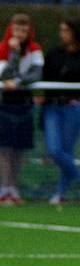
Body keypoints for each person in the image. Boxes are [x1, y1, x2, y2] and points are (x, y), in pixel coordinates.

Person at [0, 14, 43, 206]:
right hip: (4, 103)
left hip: (24, 103)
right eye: (17, 31)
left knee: (19, 148)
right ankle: (3, 187)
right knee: (4, 147)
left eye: (24, 31)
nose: (20, 35)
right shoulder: (0, 49)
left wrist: (18, 82)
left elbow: (36, 74)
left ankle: (14, 187)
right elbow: (2, 75)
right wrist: (13, 53)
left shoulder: (34, 50)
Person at [42, 18, 80, 205]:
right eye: (61, 30)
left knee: (67, 150)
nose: (62, 34)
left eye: (66, 30)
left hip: (73, 107)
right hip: (53, 106)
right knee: (54, 150)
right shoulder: (54, 53)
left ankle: (61, 192)